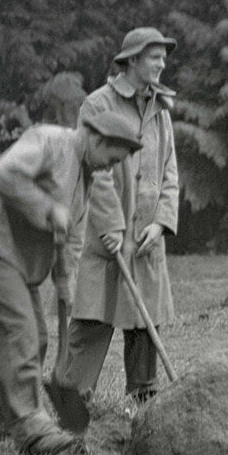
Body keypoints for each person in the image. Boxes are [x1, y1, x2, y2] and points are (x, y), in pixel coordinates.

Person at [0, 108, 142, 455]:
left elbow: (72, 236)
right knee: (20, 333)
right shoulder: (50, 141)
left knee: (39, 338)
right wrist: (47, 208)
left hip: (22, 262)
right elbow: (4, 173)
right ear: (96, 138)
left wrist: (65, 282)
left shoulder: (86, 176)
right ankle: (29, 426)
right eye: (112, 157)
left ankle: (5, 418)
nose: (110, 166)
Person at [54, 27, 179, 409]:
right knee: (93, 317)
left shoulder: (160, 109)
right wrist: (112, 227)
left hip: (147, 236)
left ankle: (145, 400)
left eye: (163, 57)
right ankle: (69, 404)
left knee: (146, 322)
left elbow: (170, 170)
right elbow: (97, 170)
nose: (162, 64)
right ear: (132, 60)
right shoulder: (98, 104)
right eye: (155, 57)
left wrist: (161, 222)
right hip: (105, 236)